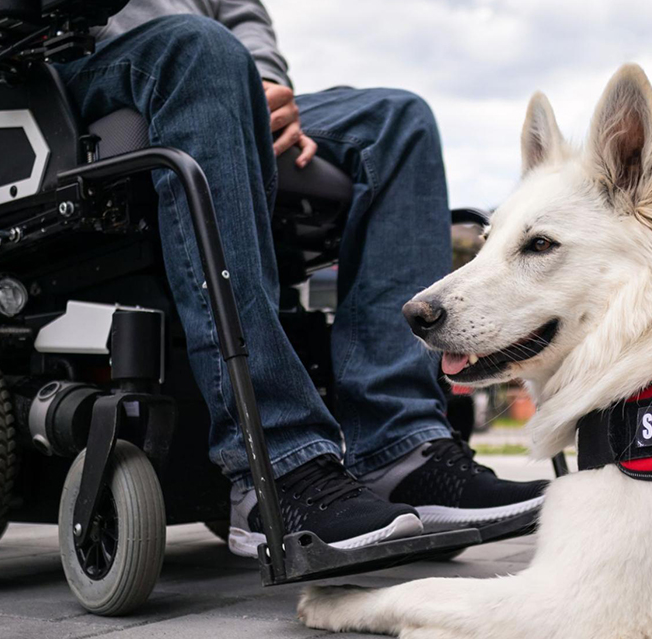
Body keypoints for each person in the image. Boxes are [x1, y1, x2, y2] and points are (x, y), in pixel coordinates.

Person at [54, 0, 547, 557]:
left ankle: (400, 452)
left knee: (398, 120)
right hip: (72, 66)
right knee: (202, 51)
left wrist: (265, 81)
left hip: (216, 76)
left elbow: (241, 13)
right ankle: (277, 465)